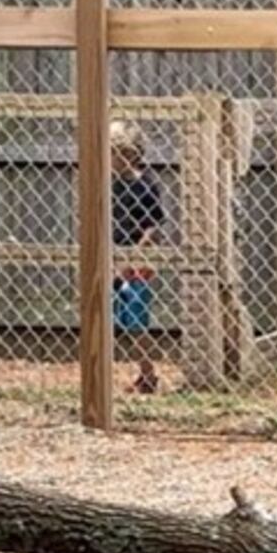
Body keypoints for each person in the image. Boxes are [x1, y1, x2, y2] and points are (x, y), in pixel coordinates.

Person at [111, 120, 166, 394]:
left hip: (136, 262)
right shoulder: (107, 183)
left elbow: (153, 227)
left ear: (131, 154)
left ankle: (148, 374)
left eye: (115, 153)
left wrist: (132, 259)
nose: (109, 160)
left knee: (136, 320)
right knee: (107, 314)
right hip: (109, 257)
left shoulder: (145, 185)